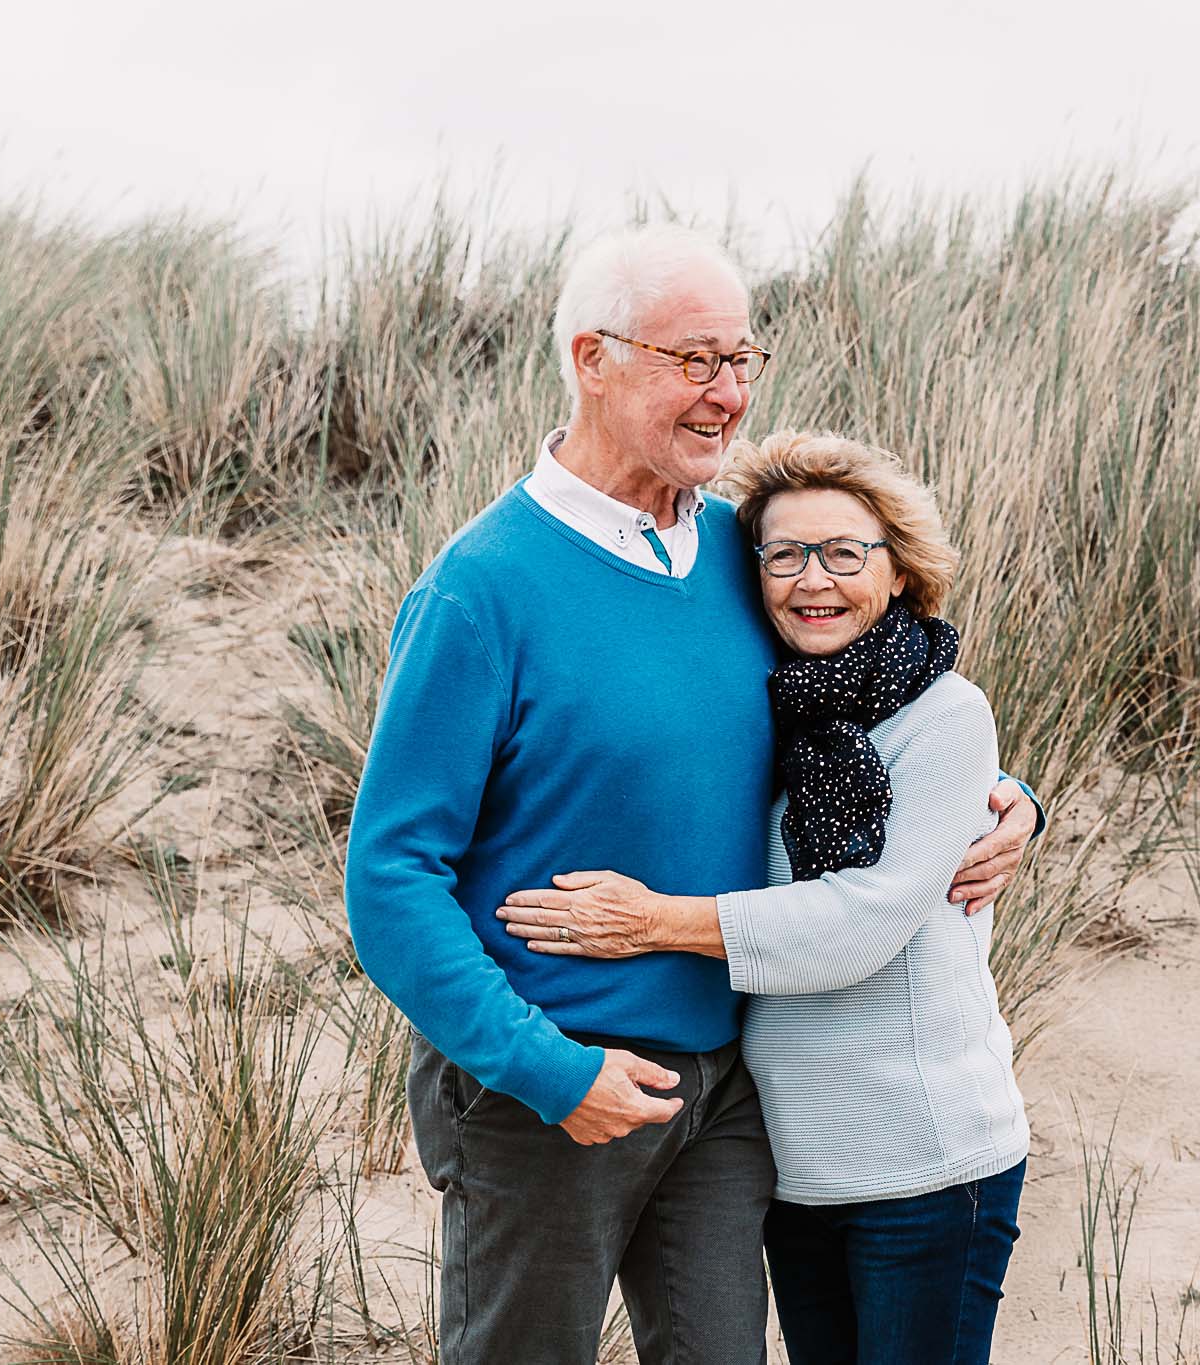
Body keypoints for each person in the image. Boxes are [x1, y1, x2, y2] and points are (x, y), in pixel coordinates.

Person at [342, 224, 1041, 1365]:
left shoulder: (740, 555)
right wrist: (547, 1070)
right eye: (694, 361)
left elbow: (871, 712)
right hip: (543, 1081)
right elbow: (388, 879)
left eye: (741, 360)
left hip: (725, 1094)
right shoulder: (481, 592)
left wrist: (1002, 797)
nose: (727, 394)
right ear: (592, 358)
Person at [498, 431, 1030, 1364]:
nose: (812, 580)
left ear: (900, 571)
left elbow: (866, 920)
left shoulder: (948, 715)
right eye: (784, 555)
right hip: (798, 1166)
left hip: (928, 1159)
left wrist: (652, 922)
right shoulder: (770, 707)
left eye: (843, 553)